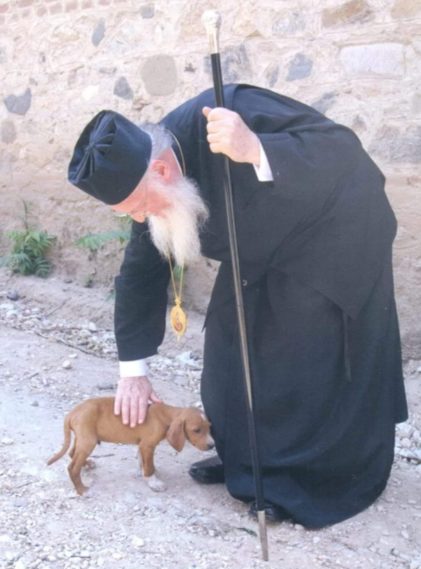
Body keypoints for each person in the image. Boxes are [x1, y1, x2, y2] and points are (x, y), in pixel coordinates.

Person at [68, 83, 407, 528]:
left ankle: (304, 481)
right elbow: (139, 270)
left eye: (138, 207)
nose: (138, 218)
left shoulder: (230, 109)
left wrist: (257, 149)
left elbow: (342, 149)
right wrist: (133, 370)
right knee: (228, 346)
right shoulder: (146, 177)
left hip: (332, 240)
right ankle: (245, 462)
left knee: (303, 357)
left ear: (162, 171)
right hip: (261, 249)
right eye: (127, 212)